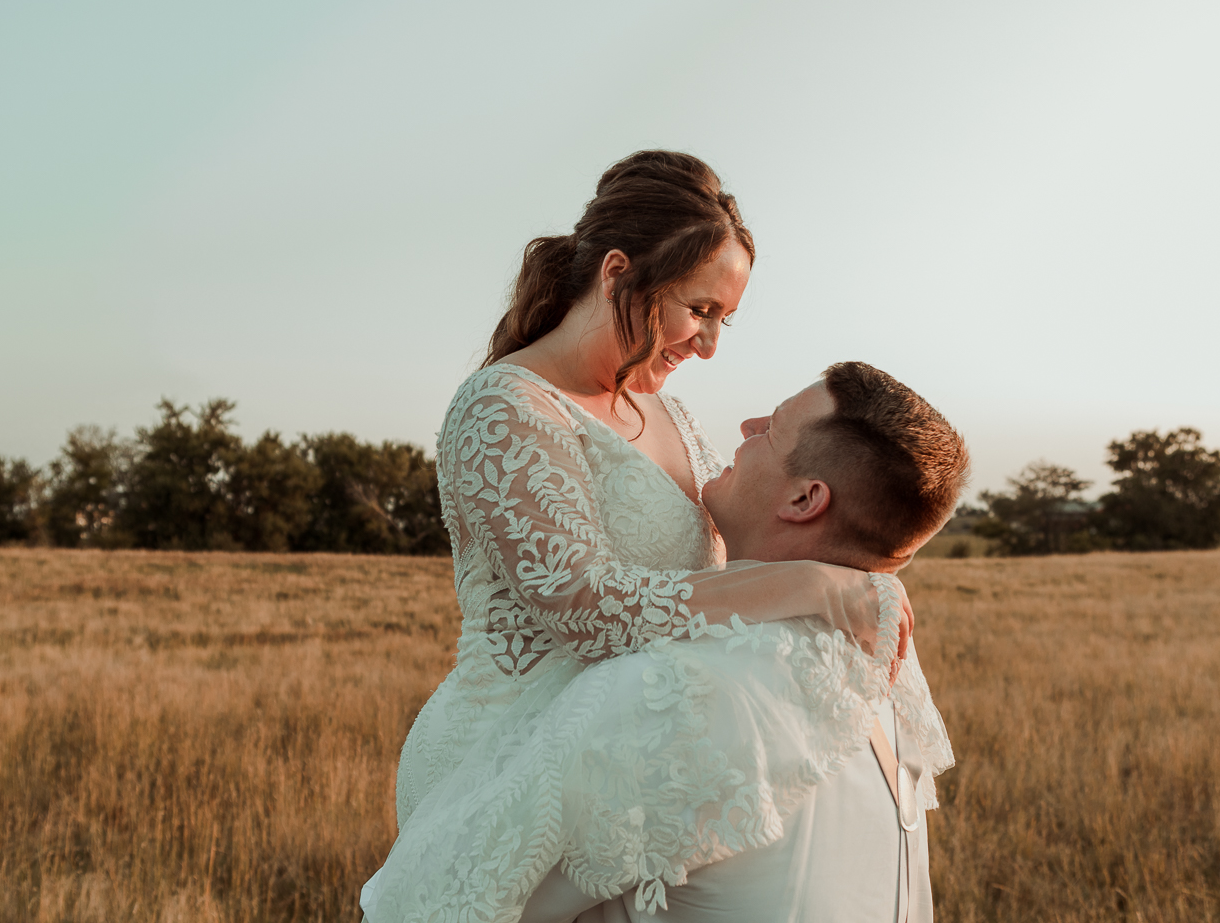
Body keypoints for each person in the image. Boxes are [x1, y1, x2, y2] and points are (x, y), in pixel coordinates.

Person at [370, 153, 910, 917]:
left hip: (623, 758)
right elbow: (587, 610)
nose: (711, 343)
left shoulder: (674, 418)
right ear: (619, 274)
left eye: (724, 318)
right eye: (701, 310)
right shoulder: (506, 407)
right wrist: (812, 587)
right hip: (504, 754)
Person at [364, 363, 966, 922]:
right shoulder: (883, 672)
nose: (747, 427)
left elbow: (442, 898)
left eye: (772, 430)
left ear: (804, 498)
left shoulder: (676, 691)